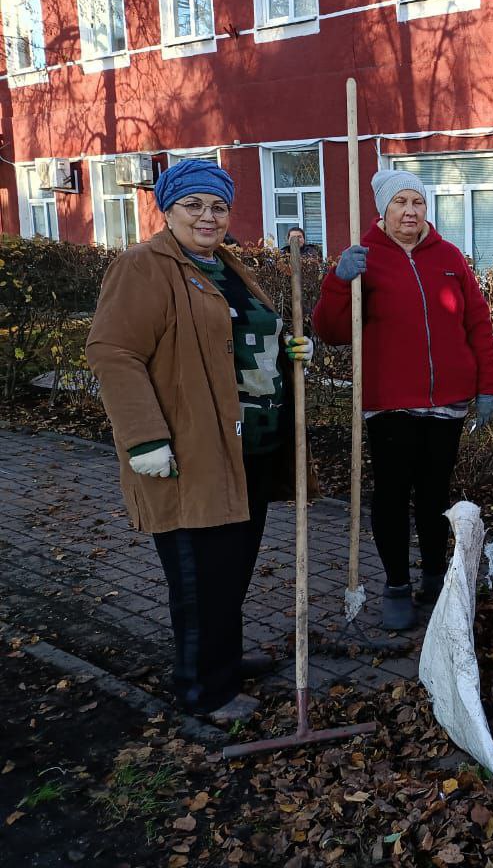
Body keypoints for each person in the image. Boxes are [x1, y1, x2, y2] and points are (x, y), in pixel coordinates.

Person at [86, 158, 314, 724]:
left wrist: (284, 351)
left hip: (248, 449)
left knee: (231, 569)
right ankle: (201, 690)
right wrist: (144, 440)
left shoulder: (228, 266)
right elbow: (113, 352)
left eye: (218, 206)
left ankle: (224, 660)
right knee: (199, 577)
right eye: (194, 205)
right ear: (167, 209)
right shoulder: (145, 266)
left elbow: (239, 337)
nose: (208, 216)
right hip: (191, 452)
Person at [312, 169, 493, 630]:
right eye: (401, 202)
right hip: (391, 400)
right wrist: (339, 280)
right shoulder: (365, 258)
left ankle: (434, 577)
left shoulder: (450, 257)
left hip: (448, 401)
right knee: (393, 493)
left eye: (418, 201)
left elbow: (477, 323)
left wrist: (487, 387)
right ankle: (396, 583)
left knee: (436, 494)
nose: (411, 210)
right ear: (383, 209)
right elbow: (330, 331)